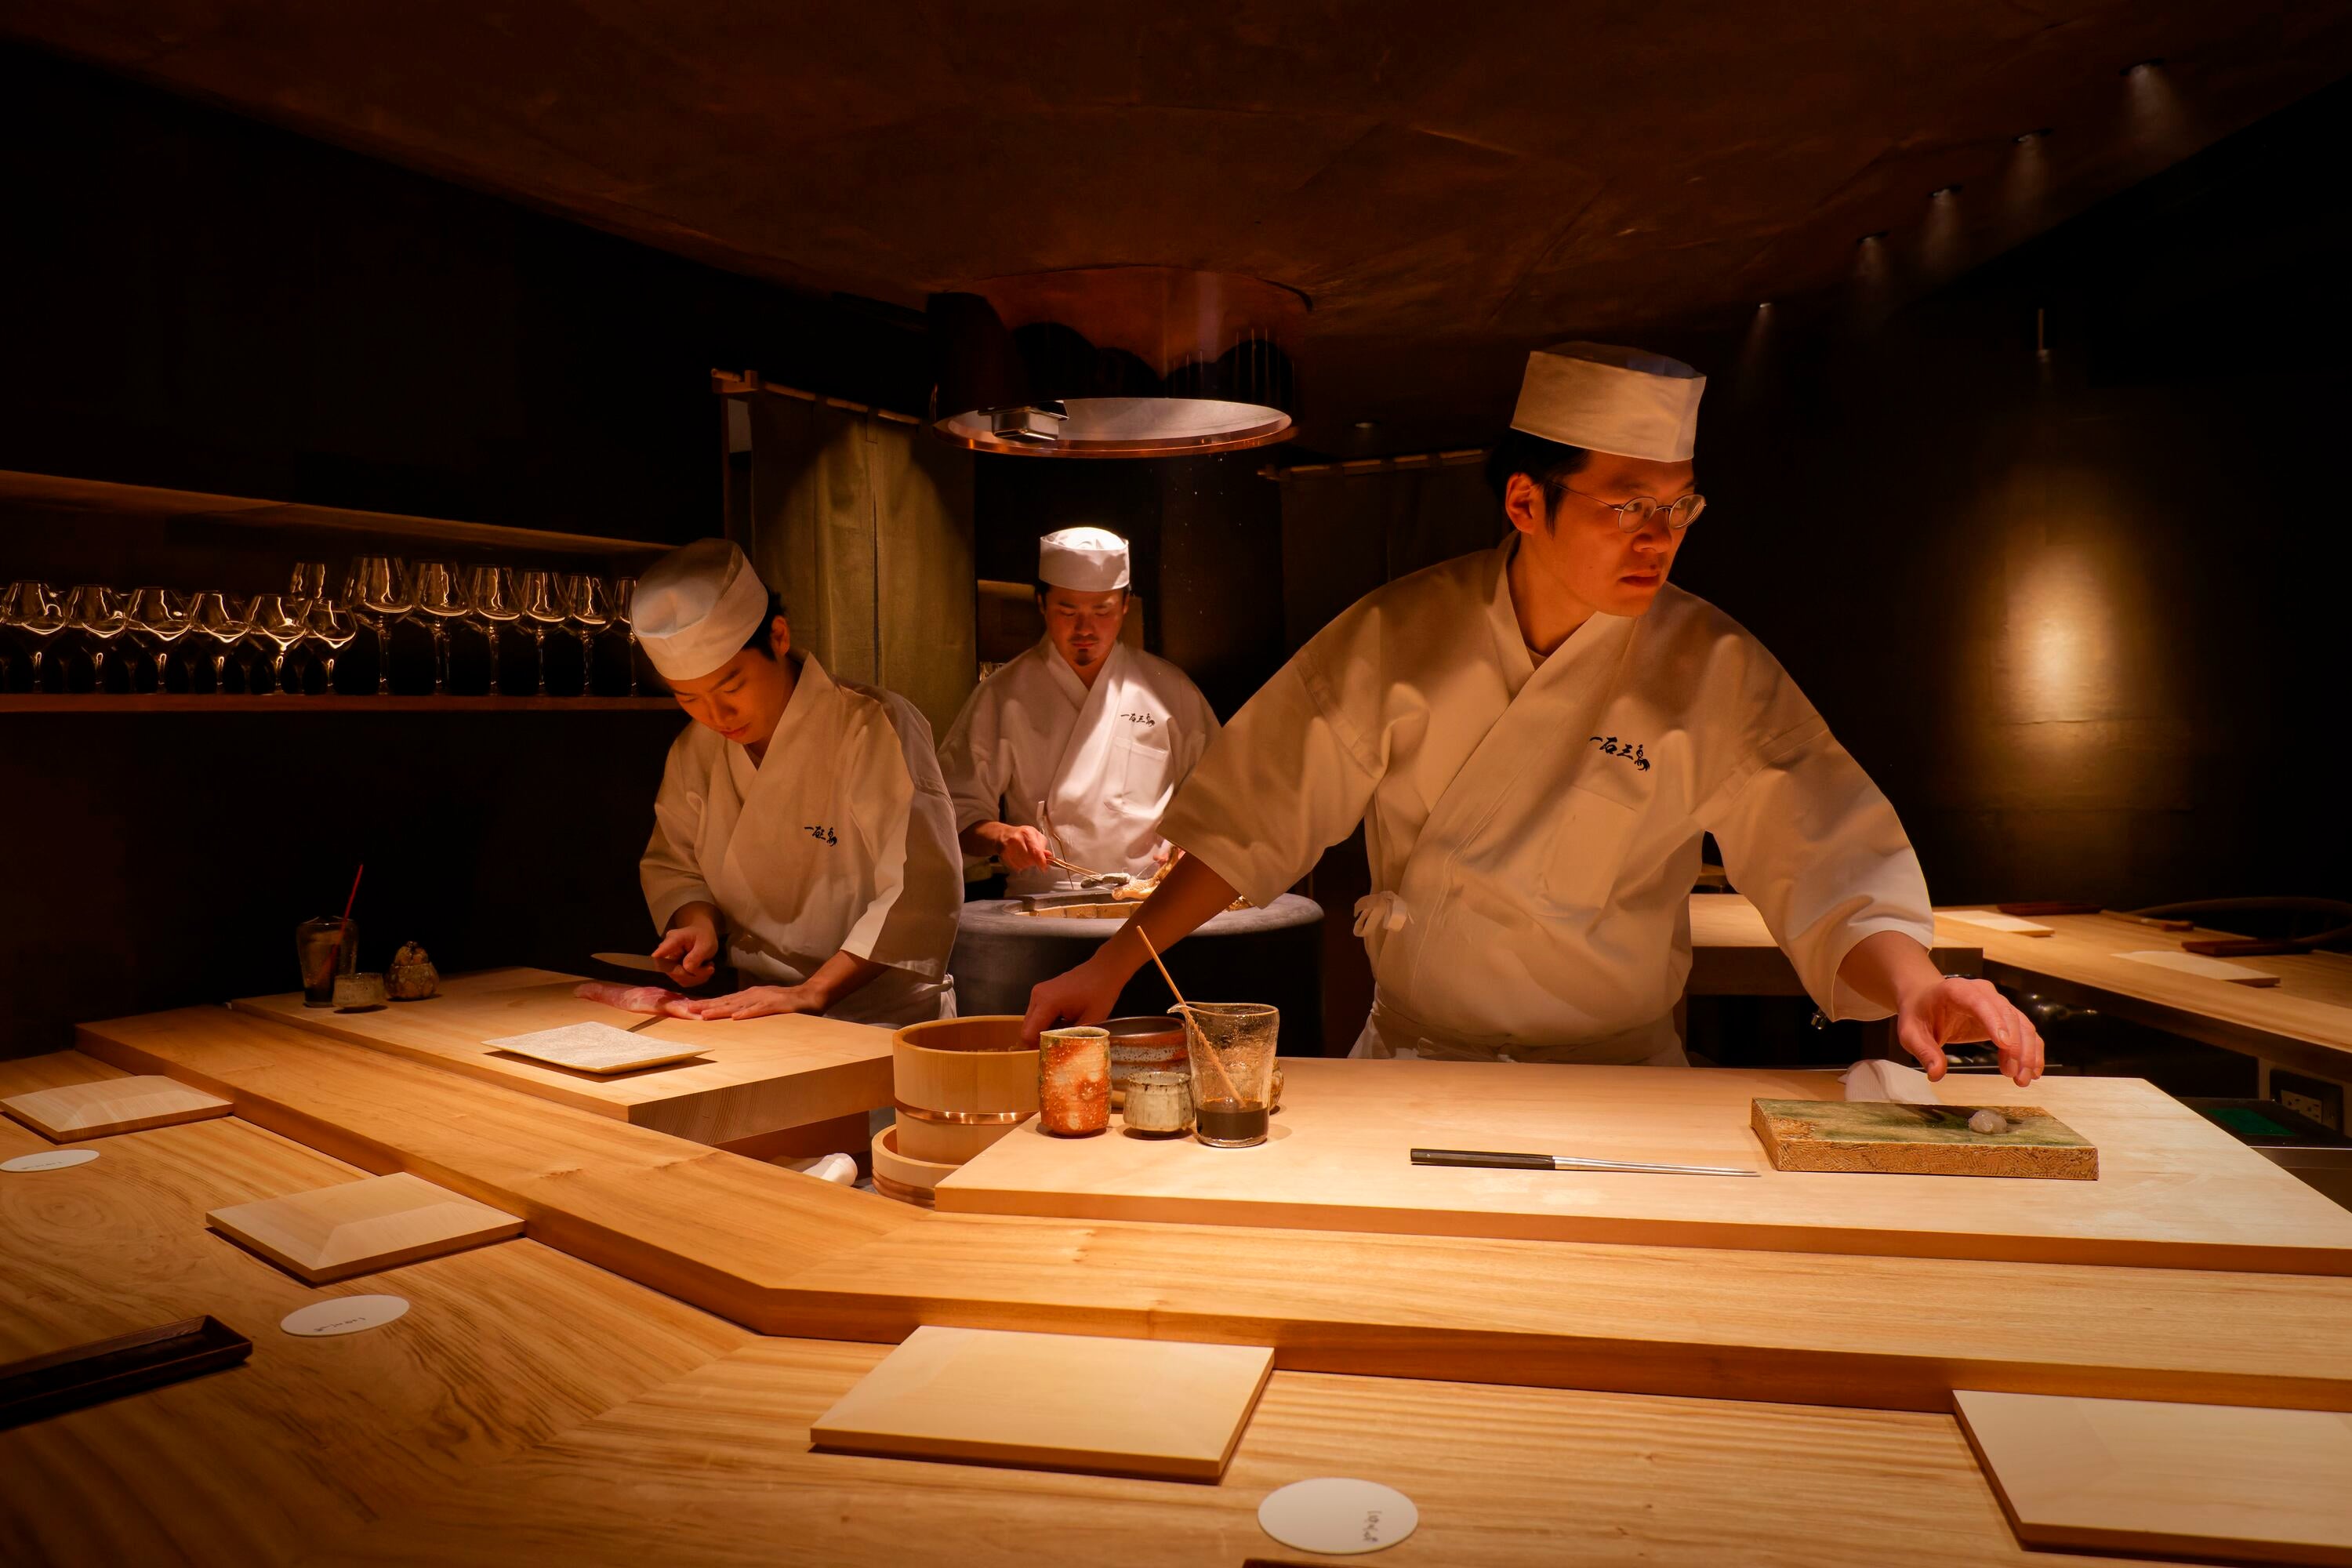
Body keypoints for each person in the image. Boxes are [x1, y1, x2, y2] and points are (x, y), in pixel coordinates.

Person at [1023, 343, 2044, 1084]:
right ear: (1525, 503)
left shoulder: (1713, 669)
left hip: (1622, 1082)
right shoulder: (1397, 638)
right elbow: (1252, 818)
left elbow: (1828, 860)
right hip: (1419, 1065)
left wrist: (1915, 984)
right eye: (1627, 504)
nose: (1658, 537)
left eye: (1678, 506)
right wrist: (1112, 966)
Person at [629, 539, 962, 1025]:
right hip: (756, 1012)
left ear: (779, 637)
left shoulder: (873, 725)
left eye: (731, 686)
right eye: (689, 698)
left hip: (882, 1020)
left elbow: (920, 889)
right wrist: (697, 924)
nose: (716, 716)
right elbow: (675, 864)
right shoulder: (695, 749)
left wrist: (812, 991)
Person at [938, 526, 1220, 895]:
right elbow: (951, 811)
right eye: (1067, 611)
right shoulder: (1003, 695)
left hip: (1152, 901)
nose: (1085, 628)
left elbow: (1220, 796)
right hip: (1041, 904)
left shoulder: (1171, 691)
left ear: (1125, 605)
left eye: (1102, 610)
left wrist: (1190, 845)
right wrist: (1004, 836)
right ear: (1041, 604)